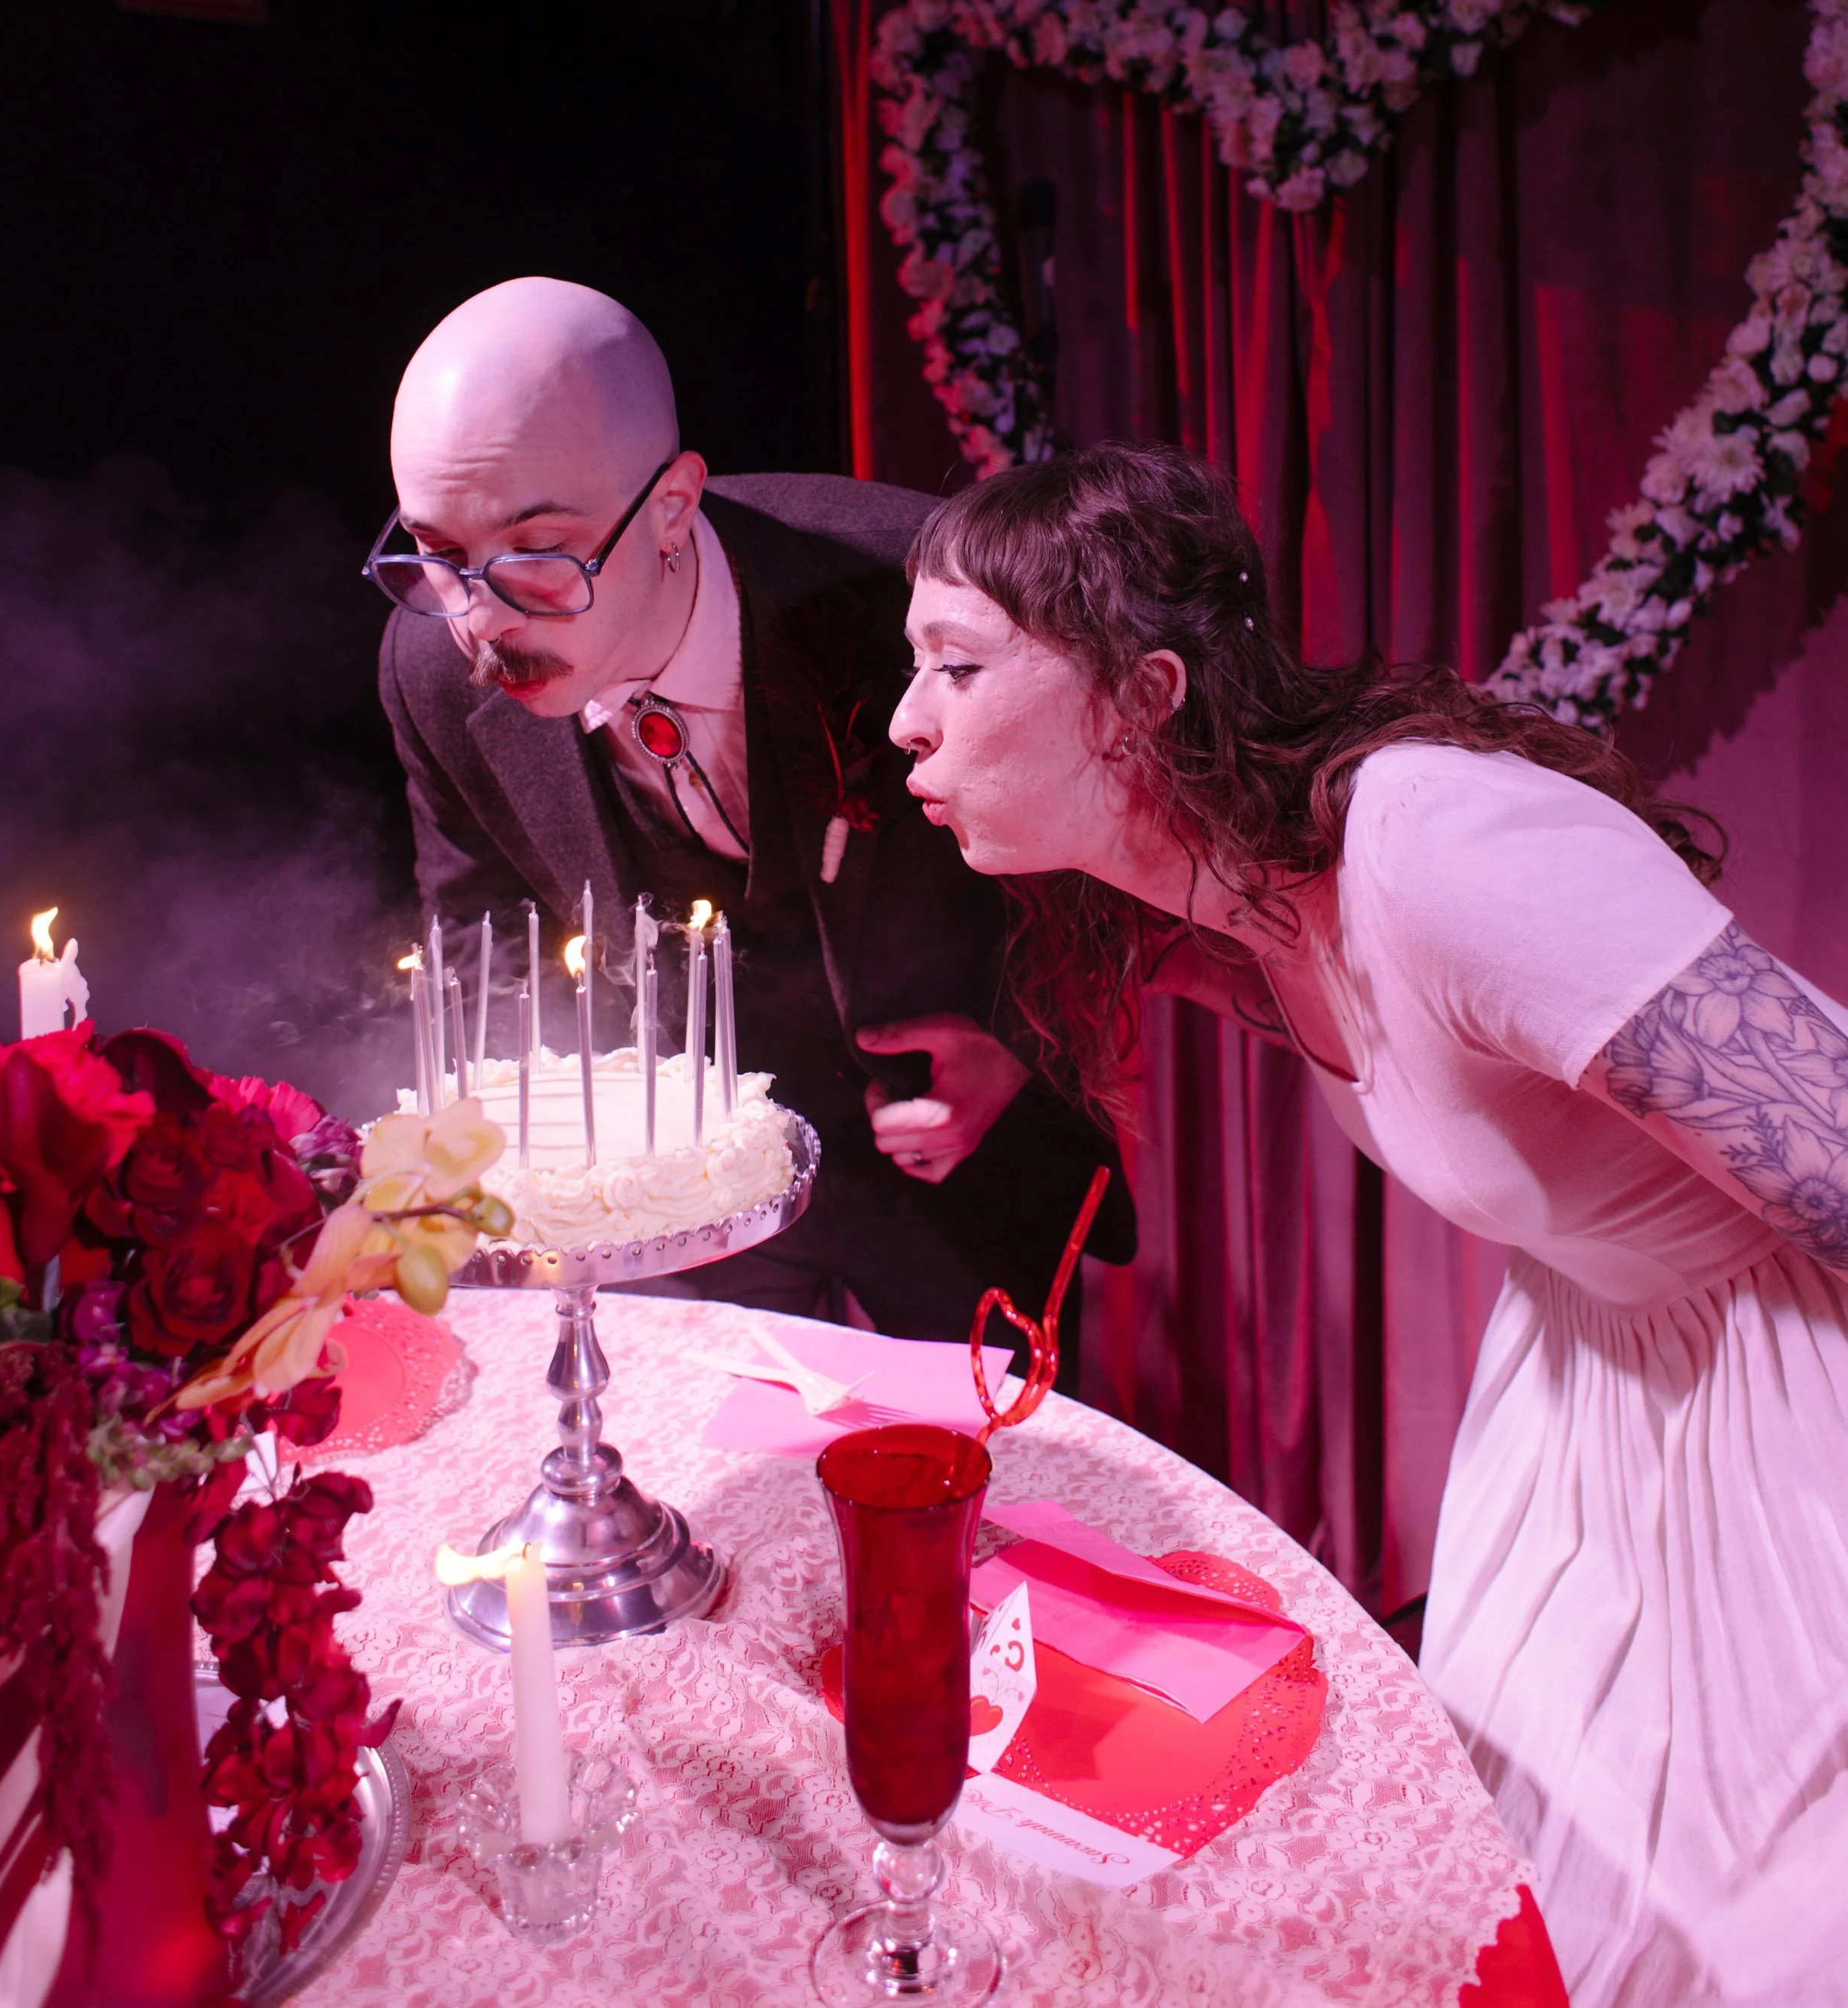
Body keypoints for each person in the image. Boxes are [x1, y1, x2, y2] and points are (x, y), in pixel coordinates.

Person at [887, 438, 1848, 2008]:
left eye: (955, 666)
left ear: (1140, 695)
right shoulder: (1238, 891)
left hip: (1790, 1374)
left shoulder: (1446, 848)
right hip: (1603, 1385)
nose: (905, 719)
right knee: (1534, 1884)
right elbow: (1425, 1054)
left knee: (1748, 1941)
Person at [369, 276, 1132, 1359]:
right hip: (680, 1201)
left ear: (674, 503)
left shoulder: (916, 590)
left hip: (953, 1158)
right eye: (439, 556)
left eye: (538, 555)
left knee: (998, 1498)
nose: (478, 622)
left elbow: (1109, 856)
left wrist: (1021, 1055)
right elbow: (488, 946)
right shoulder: (429, 671)